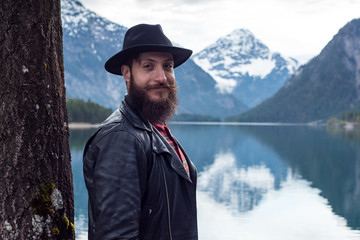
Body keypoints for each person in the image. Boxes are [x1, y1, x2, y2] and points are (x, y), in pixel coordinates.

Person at [83, 24, 198, 240]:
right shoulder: (121, 138)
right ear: (127, 73)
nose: (162, 77)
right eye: (148, 66)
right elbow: (117, 236)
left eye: (168, 66)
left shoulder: (156, 130)